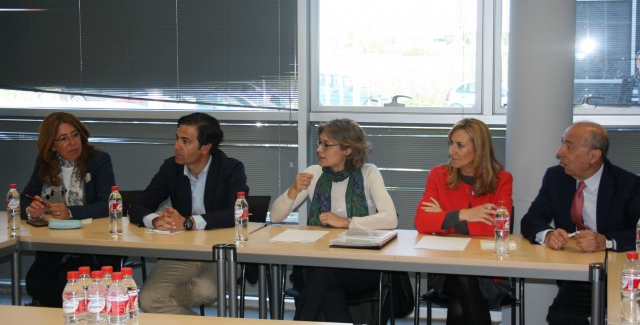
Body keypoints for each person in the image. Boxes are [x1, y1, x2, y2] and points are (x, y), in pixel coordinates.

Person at [270, 118, 398, 323]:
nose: (319, 149)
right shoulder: (314, 173)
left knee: (322, 277)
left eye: (326, 145)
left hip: (360, 267)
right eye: (319, 143)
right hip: (318, 265)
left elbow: (390, 219)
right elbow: (276, 216)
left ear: (347, 150)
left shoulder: (368, 173)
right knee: (327, 286)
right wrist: (294, 190)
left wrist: (347, 222)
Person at [128, 112, 248, 315]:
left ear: (205, 147)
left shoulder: (230, 169)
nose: (177, 146)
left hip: (223, 252)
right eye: (177, 138)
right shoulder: (170, 168)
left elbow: (236, 213)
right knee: (147, 299)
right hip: (183, 252)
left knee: (203, 291)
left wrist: (190, 222)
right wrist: (155, 220)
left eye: (185, 141)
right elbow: (138, 207)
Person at [521, 121, 640, 324]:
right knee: (561, 317)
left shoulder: (628, 184)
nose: (560, 152)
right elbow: (531, 220)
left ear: (594, 156)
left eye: (569, 146)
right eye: (562, 144)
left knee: (623, 319)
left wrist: (606, 241)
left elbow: (636, 234)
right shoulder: (556, 177)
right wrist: (548, 234)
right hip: (579, 275)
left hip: (622, 273)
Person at [414, 118, 513, 325]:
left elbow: (497, 228)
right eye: (451, 144)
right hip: (445, 269)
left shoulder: (501, 179)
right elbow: (422, 221)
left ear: (479, 148)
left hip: (488, 272)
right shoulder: (438, 175)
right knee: (462, 279)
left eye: (459, 145)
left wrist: (444, 218)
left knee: (461, 300)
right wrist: (464, 214)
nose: (451, 151)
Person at [20, 111, 122, 307]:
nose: (72, 143)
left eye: (75, 135)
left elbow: (107, 204)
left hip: (92, 247)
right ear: (52, 145)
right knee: (36, 283)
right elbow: (26, 198)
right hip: (55, 245)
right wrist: (32, 210)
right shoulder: (44, 163)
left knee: (65, 287)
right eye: (63, 139)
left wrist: (71, 212)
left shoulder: (98, 160)